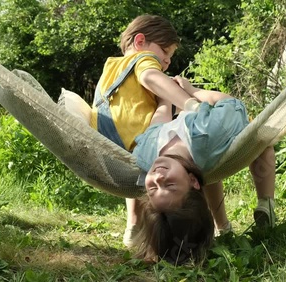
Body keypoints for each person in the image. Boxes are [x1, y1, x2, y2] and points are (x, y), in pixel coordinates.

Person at [90, 14, 237, 248]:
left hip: (116, 148)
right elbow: (151, 76)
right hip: (143, 141)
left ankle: (133, 226)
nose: (167, 62)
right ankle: (222, 225)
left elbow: (158, 109)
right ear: (140, 42)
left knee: (149, 170)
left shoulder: (111, 71)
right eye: (165, 52)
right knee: (201, 162)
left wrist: (166, 102)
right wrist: (190, 103)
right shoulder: (142, 59)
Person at [131, 77, 276, 263]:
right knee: (262, 140)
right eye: (169, 184)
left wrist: (166, 97)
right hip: (205, 128)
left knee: (217, 172)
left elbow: (156, 124)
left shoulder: (144, 154)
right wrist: (193, 91)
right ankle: (266, 201)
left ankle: (224, 226)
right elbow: (232, 105)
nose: (158, 177)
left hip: (182, 118)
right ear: (193, 181)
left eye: (152, 189)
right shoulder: (209, 131)